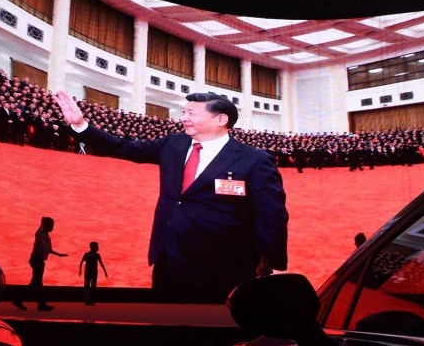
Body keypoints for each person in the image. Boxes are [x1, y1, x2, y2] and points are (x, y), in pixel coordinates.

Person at [54, 89, 289, 303]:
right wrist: (81, 126)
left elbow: (272, 217)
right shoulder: (173, 144)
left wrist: (274, 266)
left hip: (223, 265)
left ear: (221, 119)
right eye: (184, 112)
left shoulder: (255, 160)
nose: (183, 118)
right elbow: (123, 147)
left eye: (192, 113)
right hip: (169, 256)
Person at [12, 216, 68, 311]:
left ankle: (30, 302)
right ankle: (38, 304)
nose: (52, 227)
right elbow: (37, 234)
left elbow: (49, 250)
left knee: (36, 283)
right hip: (36, 260)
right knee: (37, 283)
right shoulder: (40, 234)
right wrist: (41, 225)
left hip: (40, 260)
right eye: (51, 225)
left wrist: (59, 254)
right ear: (45, 226)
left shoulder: (47, 236)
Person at [79, 241, 108, 305]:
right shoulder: (88, 254)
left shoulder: (95, 255)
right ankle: (87, 300)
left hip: (93, 272)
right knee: (88, 286)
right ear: (93, 247)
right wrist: (80, 270)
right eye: (97, 247)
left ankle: (90, 300)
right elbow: (81, 262)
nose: (98, 248)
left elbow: (101, 263)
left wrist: (105, 271)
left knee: (92, 286)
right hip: (89, 272)